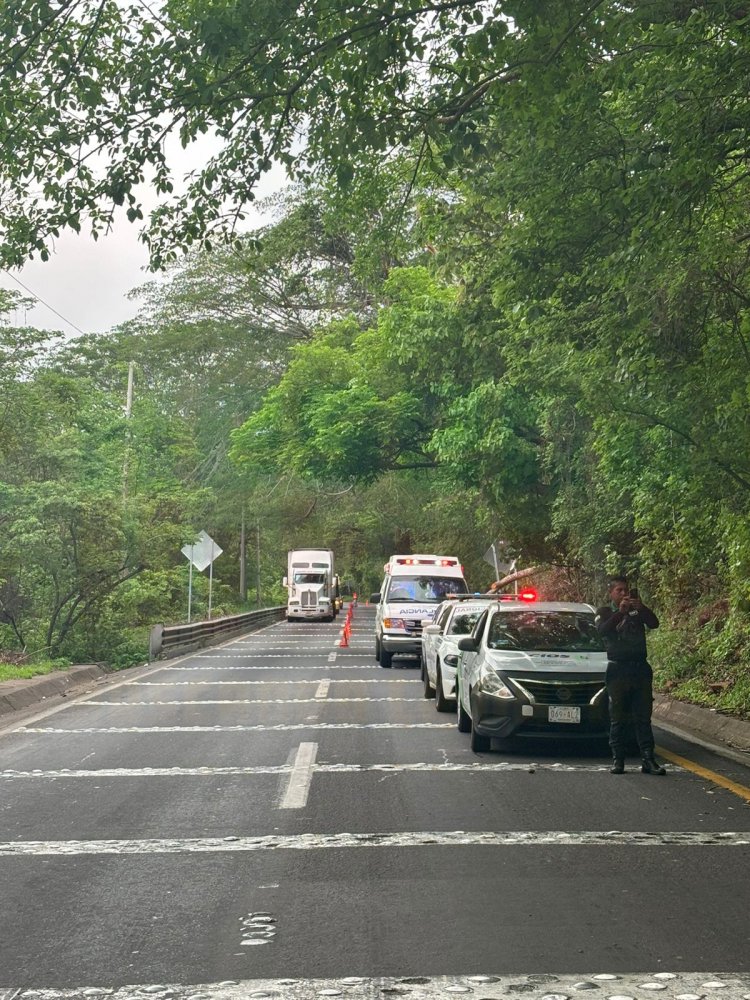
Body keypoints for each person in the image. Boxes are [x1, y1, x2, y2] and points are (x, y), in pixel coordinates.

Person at [596, 576, 666, 776]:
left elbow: (654, 623)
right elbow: (603, 630)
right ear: (611, 593)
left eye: (626, 590)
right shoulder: (605, 612)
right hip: (618, 669)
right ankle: (618, 760)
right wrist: (620, 613)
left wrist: (641, 608)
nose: (624, 594)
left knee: (643, 717)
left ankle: (648, 759)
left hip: (640, 669)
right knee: (617, 717)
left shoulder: (638, 611)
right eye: (619, 590)